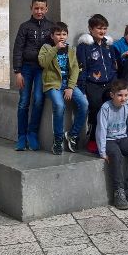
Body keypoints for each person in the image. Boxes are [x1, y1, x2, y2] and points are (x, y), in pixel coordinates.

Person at [38, 22, 88, 155]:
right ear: (52, 36)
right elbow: (43, 63)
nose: (61, 37)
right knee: (59, 106)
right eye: (58, 34)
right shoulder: (46, 47)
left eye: (64, 34)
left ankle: (72, 134)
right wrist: (55, 49)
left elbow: (75, 69)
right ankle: (58, 140)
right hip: (53, 84)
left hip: (68, 84)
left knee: (84, 104)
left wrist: (70, 87)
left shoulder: (70, 50)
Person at [96, 79, 128, 210]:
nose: (123, 98)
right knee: (116, 154)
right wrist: (102, 151)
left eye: (126, 95)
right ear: (112, 95)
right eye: (120, 95)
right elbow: (101, 130)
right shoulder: (105, 108)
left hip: (123, 137)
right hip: (109, 140)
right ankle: (119, 191)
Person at [12, 0, 53, 151]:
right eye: (36, 8)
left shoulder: (51, 26)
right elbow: (18, 49)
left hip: (42, 70)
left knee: (38, 99)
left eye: (42, 8)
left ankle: (32, 134)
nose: (39, 11)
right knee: (23, 101)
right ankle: (21, 136)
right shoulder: (25, 27)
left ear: (46, 9)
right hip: (26, 69)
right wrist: (17, 72)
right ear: (31, 8)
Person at [76, 14, 117, 139]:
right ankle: (93, 137)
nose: (102, 31)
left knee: (111, 109)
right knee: (95, 109)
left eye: (104, 28)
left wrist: (114, 83)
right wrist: (82, 90)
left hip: (109, 83)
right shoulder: (84, 46)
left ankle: (110, 137)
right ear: (90, 29)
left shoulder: (108, 45)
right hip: (92, 84)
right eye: (99, 28)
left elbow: (113, 64)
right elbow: (82, 68)